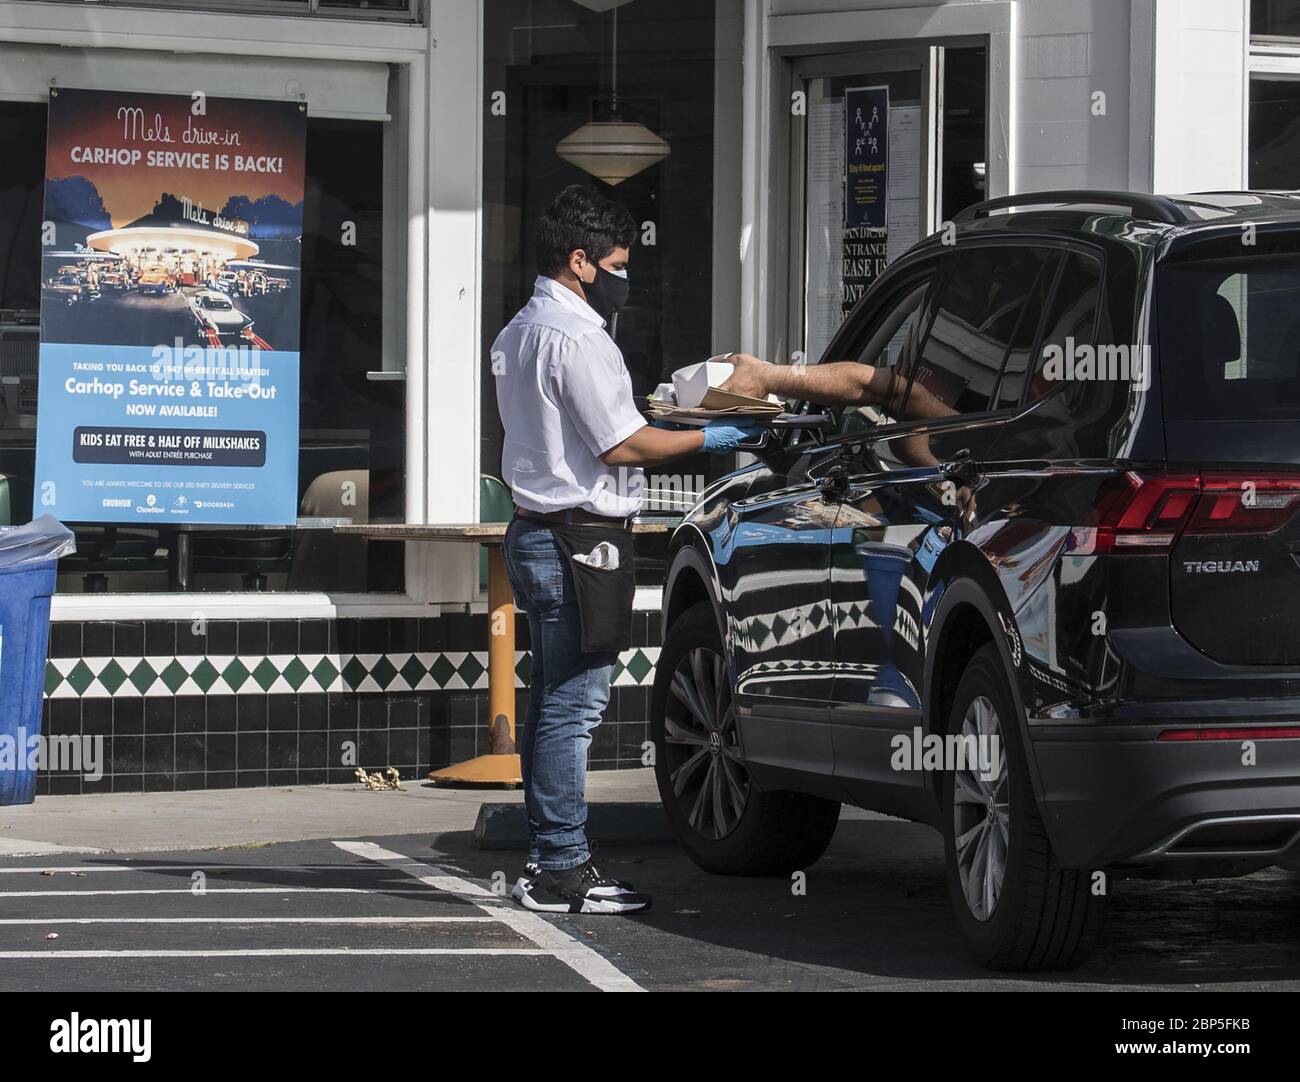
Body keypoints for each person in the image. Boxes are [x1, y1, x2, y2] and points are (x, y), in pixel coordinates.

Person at [493, 184, 758, 915]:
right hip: (579, 538)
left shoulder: (521, 329)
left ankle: (553, 859)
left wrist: (667, 417)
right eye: (616, 262)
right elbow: (622, 444)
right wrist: (719, 435)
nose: (624, 276)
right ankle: (561, 870)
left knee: (553, 701)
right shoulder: (579, 337)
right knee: (573, 707)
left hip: (539, 530)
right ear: (580, 262)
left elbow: (593, 427)